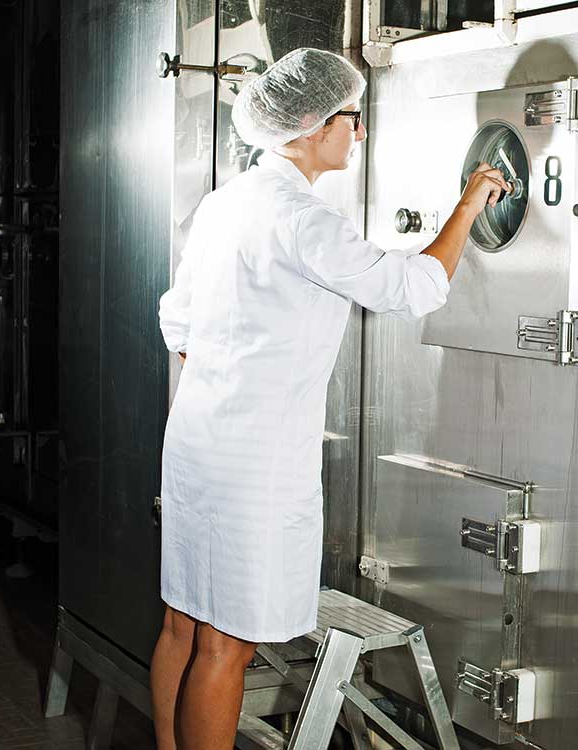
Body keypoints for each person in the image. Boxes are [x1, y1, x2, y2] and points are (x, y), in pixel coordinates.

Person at [150, 47, 511, 750]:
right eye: (354, 117)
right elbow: (410, 288)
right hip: (253, 462)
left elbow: (177, 322)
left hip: (198, 439)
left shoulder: (228, 203)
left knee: (182, 623)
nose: (362, 131)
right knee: (229, 646)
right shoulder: (301, 218)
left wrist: (238, 382)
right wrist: (468, 205)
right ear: (313, 125)